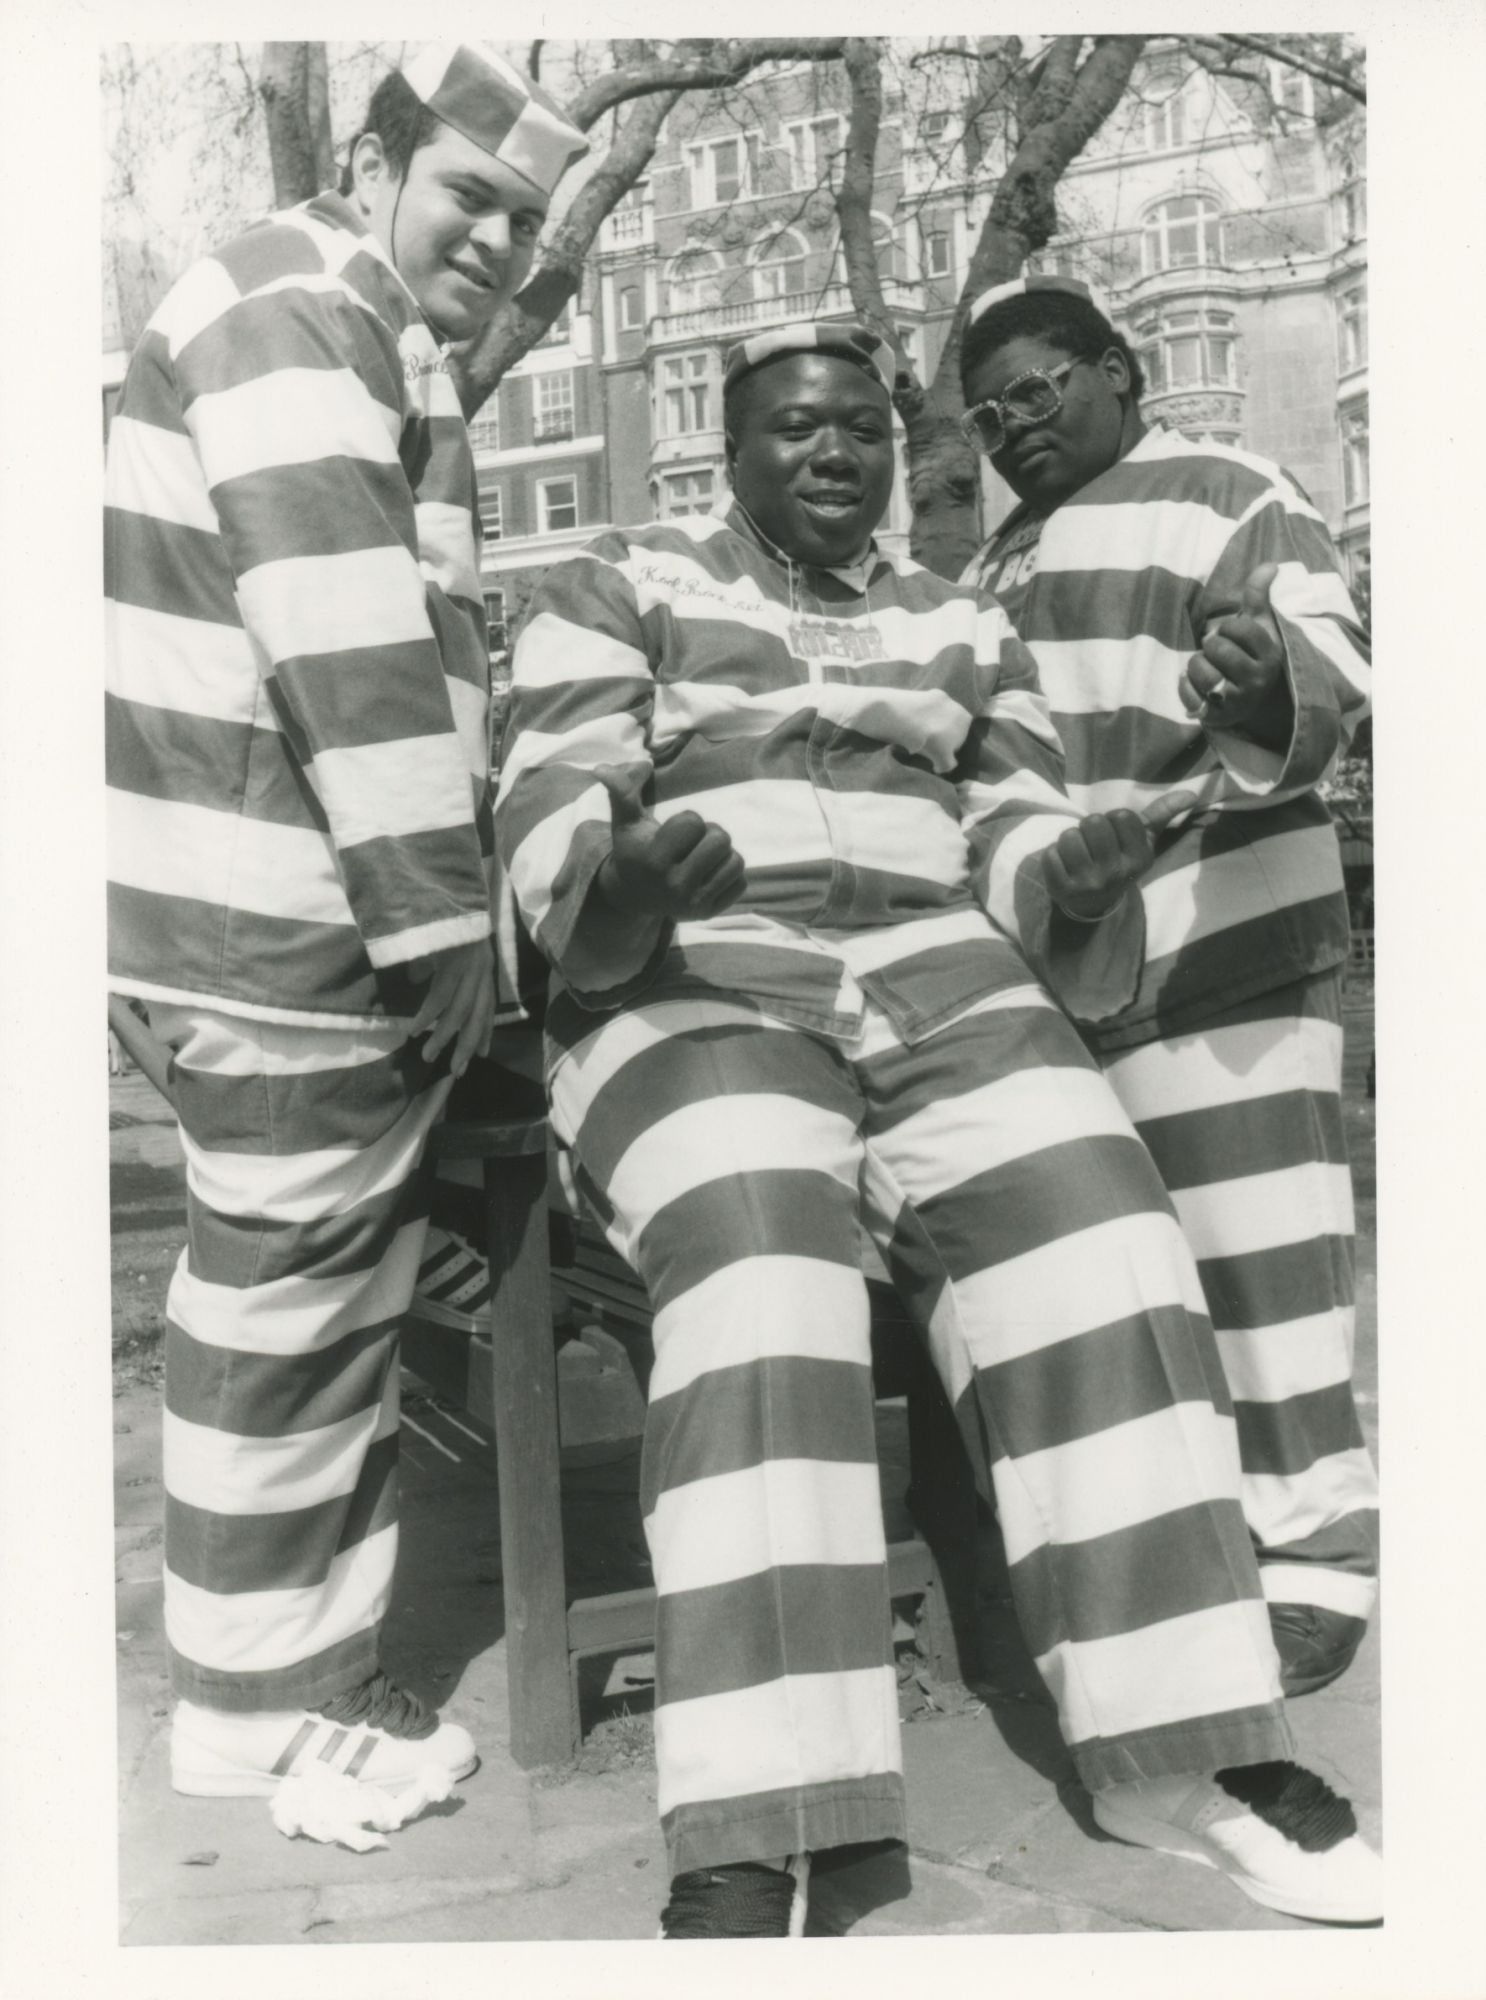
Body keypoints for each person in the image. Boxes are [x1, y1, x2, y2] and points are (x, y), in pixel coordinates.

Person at [493, 319, 1382, 1937]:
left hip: (939, 975)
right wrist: (617, 882)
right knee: (763, 1264)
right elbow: (553, 791)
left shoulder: (961, 617)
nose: (832, 450)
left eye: (861, 428)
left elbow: (1017, 817)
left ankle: (1184, 1754)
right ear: (729, 453)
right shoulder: (622, 576)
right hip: (695, 979)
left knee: (1106, 1233)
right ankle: (764, 1821)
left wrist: (1071, 877)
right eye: (793, 428)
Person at [105, 45, 587, 1799]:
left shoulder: (325, 306)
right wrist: (440, 928)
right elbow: (343, 633)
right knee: (286, 1315)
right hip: (288, 929)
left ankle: (281, 1670)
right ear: (377, 166)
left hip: (253, 919)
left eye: (525, 222)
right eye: (470, 195)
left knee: (297, 1296)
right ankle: (261, 1714)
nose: (499, 244)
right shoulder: (306, 308)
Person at [958, 276, 1378, 1697]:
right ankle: (1205, 1551)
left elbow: (1330, 651)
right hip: (1068, 948)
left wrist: (1263, 679)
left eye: (1037, 389)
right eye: (986, 416)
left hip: (1224, 929)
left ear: (1117, 372)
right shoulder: (993, 565)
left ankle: (1318, 1549)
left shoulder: (1226, 487)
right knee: (1146, 1275)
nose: (1014, 426)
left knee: (1264, 1260)